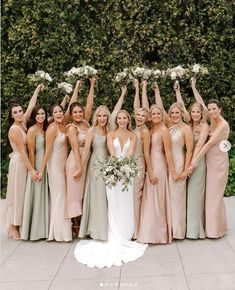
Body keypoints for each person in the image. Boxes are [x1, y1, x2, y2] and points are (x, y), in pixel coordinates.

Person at [74, 110, 147, 268]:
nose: (122, 120)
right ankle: (113, 232)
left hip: (127, 173)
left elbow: (129, 153)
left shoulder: (133, 136)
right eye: (119, 118)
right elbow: (112, 153)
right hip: (113, 172)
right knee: (113, 203)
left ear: (128, 120)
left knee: (126, 204)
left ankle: (126, 232)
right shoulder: (110, 135)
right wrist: (116, 169)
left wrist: (125, 169)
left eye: (124, 118)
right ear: (117, 120)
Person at [79, 86, 127, 240]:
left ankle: (109, 227)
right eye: (99, 116)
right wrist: (80, 167)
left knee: (109, 197)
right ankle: (96, 230)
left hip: (109, 165)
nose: (102, 118)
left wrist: (123, 94)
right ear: (96, 117)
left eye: (104, 116)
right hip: (96, 166)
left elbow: (117, 111)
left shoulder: (110, 130)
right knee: (98, 196)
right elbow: (86, 150)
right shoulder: (91, 131)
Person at [4, 85, 42, 240]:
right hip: (20, 163)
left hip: (25, 161)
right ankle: (13, 226)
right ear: (11, 115)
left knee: (23, 193)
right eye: (16, 112)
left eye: (20, 111)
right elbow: (22, 152)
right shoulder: (14, 130)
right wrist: (32, 170)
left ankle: (20, 223)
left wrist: (36, 90)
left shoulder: (23, 122)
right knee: (17, 193)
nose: (19, 114)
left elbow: (31, 106)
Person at [137, 101, 178, 243]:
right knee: (149, 198)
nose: (155, 116)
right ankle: (149, 231)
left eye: (158, 113)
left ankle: (158, 233)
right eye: (153, 113)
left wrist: (172, 171)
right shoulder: (151, 129)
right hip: (150, 164)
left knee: (157, 199)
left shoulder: (163, 130)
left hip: (158, 166)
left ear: (162, 115)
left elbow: (168, 153)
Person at [189, 99, 230, 238]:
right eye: (209, 109)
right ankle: (219, 225)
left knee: (214, 195)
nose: (211, 111)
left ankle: (214, 231)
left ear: (220, 109)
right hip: (209, 161)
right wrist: (194, 87)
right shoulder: (212, 119)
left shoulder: (223, 125)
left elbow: (208, 144)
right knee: (211, 195)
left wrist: (194, 161)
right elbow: (200, 102)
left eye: (214, 109)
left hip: (218, 163)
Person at [65, 78, 95, 236]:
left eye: (80, 111)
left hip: (86, 160)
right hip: (76, 162)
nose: (78, 114)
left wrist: (91, 86)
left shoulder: (86, 123)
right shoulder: (71, 127)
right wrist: (79, 167)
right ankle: (75, 225)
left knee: (83, 193)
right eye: (75, 112)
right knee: (75, 194)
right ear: (70, 114)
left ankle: (82, 224)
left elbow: (89, 105)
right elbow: (76, 149)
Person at [21, 104, 49, 240]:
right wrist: (33, 171)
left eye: (43, 113)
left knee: (43, 196)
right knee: (36, 195)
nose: (40, 116)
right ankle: (34, 231)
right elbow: (30, 152)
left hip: (45, 164)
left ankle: (44, 229)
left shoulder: (44, 129)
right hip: (37, 165)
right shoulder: (32, 130)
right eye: (38, 114)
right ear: (33, 116)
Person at [186, 78, 209, 239]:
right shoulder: (190, 125)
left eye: (197, 112)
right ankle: (189, 228)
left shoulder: (204, 126)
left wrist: (192, 165)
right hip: (189, 163)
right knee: (189, 195)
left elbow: (200, 146)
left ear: (202, 113)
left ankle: (195, 231)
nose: (195, 114)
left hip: (198, 163)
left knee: (195, 195)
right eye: (193, 111)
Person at [132, 79, 150, 239]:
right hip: (131, 166)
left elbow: (146, 153)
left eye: (143, 116)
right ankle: (132, 226)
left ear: (147, 118)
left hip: (139, 166)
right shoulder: (136, 128)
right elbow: (136, 105)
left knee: (135, 196)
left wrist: (148, 171)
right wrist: (138, 88)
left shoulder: (145, 131)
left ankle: (137, 230)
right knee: (132, 196)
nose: (139, 117)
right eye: (138, 115)